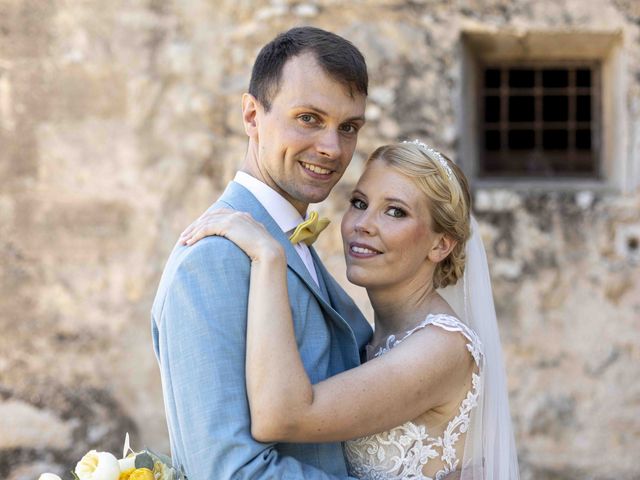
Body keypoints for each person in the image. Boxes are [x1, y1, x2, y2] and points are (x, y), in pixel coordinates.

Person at [180, 140, 521, 479]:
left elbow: (281, 416)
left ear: (440, 244)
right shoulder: (368, 336)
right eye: (359, 203)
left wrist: (268, 256)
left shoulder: (442, 347)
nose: (364, 224)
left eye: (395, 211)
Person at [151, 27, 373, 479]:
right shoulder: (214, 260)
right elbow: (230, 471)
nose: (332, 148)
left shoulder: (289, 241)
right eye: (309, 118)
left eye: (347, 127)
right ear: (252, 115)